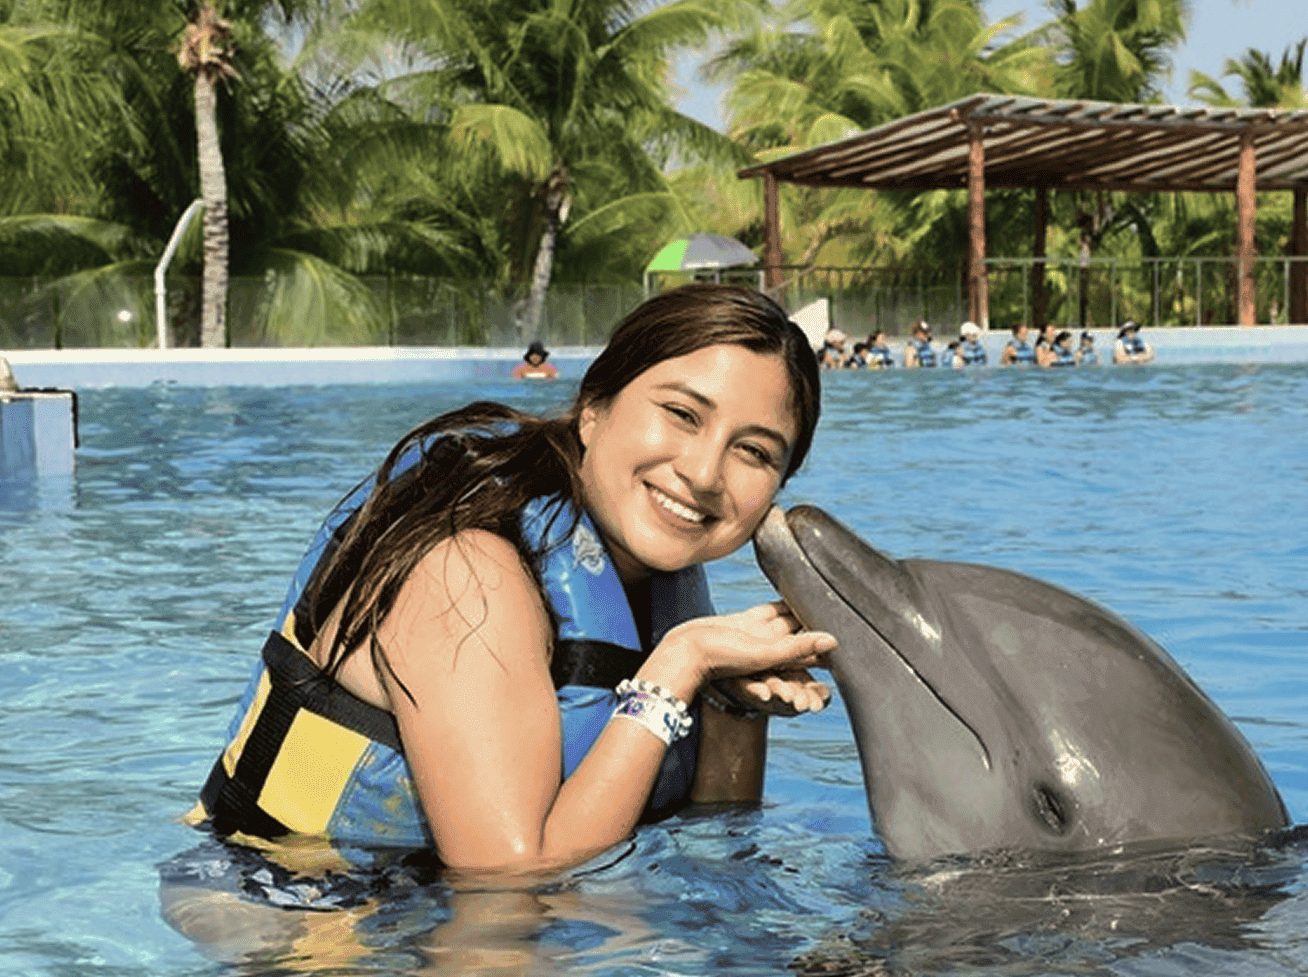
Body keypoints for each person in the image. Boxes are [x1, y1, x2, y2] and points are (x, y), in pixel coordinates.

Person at [192, 287, 836, 878]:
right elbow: (505, 880)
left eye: (754, 451)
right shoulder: (467, 571)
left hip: (415, 914)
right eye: (680, 413)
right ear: (594, 408)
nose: (702, 472)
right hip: (290, 928)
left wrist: (732, 705)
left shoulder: (653, 578)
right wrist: (680, 665)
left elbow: (713, 843)